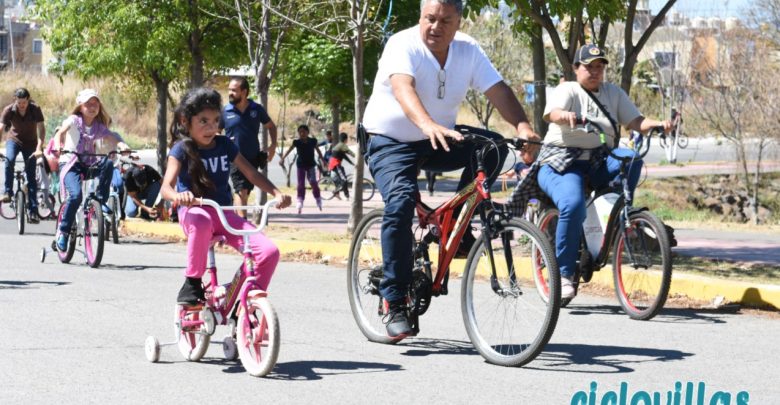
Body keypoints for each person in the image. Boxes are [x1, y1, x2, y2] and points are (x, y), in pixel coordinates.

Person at [361, 0, 539, 339]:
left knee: (494, 147)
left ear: (458, 22)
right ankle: (394, 300)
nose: (435, 26)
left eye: (445, 20)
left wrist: (522, 126)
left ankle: (454, 227)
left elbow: (497, 89)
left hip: (437, 137)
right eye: (429, 18)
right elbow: (403, 87)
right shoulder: (402, 44)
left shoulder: (468, 50)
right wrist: (427, 123)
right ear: (420, 17)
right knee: (399, 202)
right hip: (390, 140)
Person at [535, 44, 672, 300]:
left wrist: (657, 124)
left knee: (630, 159)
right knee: (573, 204)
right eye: (589, 66)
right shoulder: (569, 89)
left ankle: (620, 217)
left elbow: (635, 122)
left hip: (598, 160)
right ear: (576, 69)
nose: (596, 71)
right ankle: (564, 274)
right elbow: (551, 113)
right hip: (562, 162)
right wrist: (565, 116)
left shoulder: (613, 93)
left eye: (600, 66)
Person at [160, 87, 291, 305]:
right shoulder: (181, 149)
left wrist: (276, 193)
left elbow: (250, 172)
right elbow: (166, 187)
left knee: (269, 252)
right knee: (201, 221)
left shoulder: (225, 145)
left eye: (215, 121)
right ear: (186, 121)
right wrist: (178, 196)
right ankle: (192, 283)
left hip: (224, 213)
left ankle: (244, 304)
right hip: (194, 212)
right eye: (203, 121)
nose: (211, 127)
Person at [54, 89, 129, 251]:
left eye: (95, 103)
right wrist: (58, 144)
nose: (92, 107)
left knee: (107, 163)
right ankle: (63, 231)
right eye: (88, 104)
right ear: (80, 106)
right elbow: (61, 131)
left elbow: (112, 137)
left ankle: (100, 201)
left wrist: (123, 146)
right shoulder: (74, 120)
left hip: (88, 163)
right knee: (76, 196)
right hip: (70, 164)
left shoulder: (98, 127)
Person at [221, 76, 278, 218]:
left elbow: (271, 126)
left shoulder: (256, 109)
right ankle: (242, 227)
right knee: (242, 190)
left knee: (244, 191)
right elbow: (215, 132)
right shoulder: (225, 111)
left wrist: (273, 145)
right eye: (229, 90)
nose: (230, 93)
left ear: (244, 92)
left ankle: (235, 223)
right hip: (234, 157)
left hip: (253, 158)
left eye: (234, 90)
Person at [1, 88, 46, 223]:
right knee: (9, 160)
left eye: (24, 102)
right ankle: (8, 192)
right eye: (19, 102)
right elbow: (1, 128)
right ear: (15, 100)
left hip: (31, 143)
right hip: (13, 140)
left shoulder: (35, 109)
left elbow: (42, 129)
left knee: (31, 176)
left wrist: (39, 147)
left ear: (28, 100)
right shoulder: (9, 110)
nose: (22, 105)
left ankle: (33, 211)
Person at [278, 124, 325, 214]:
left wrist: (323, 160)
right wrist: (282, 158)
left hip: (311, 165)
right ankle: (300, 200)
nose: (302, 133)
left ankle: (318, 198)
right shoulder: (297, 142)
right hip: (301, 165)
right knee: (301, 184)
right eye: (300, 132)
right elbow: (289, 150)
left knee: (313, 182)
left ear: (308, 132)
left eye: (304, 131)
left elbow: (318, 151)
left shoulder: (313, 141)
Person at [328, 132, 355, 198]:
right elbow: (350, 152)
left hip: (336, 164)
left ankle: (345, 194)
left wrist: (352, 163)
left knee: (343, 179)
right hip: (336, 164)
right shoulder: (342, 145)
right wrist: (357, 156)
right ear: (345, 139)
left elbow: (345, 157)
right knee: (344, 180)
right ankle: (342, 194)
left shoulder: (339, 145)